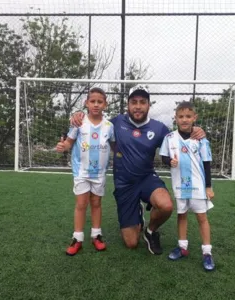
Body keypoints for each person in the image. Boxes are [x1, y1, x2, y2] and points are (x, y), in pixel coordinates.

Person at [71, 85, 205, 255]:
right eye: (134, 102)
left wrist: (194, 129)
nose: (138, 106)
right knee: (131, 242)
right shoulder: (115, 123)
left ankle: (150, 232)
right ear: (127, 104)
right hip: (125, 184)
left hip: (147, 178)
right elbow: (94, 121)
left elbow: (178, 138)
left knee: (165, 206)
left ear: (149, 105)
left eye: (143, 102)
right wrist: (78, 115)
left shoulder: (159, 128)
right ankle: (137, 213)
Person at [56, 87, 115, 256]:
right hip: (81, 172)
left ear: (105, 104)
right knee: (81, 204)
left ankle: (96, 235)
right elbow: (68, 142)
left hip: (99, 174)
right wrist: (63, 146)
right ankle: (77, 238)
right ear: (86, 103)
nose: (96, 105)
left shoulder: (109, 126)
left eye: (100, 101)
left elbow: (114, 146)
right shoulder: (79, 123)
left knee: (96, 204)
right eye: (92, 101)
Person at [159, 100, 215, 271]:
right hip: (180, 185)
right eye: (181, 116)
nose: (184, 119)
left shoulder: (201, 139)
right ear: (175, 118)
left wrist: (208, 186)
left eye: (188, 116)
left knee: (201, 218)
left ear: (194, 118)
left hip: (198, 186)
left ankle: (207, 252)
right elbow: (163, 158)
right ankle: (182, 248)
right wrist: (170, 161)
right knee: (181, 215)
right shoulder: (169, 138)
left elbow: (206, 163)